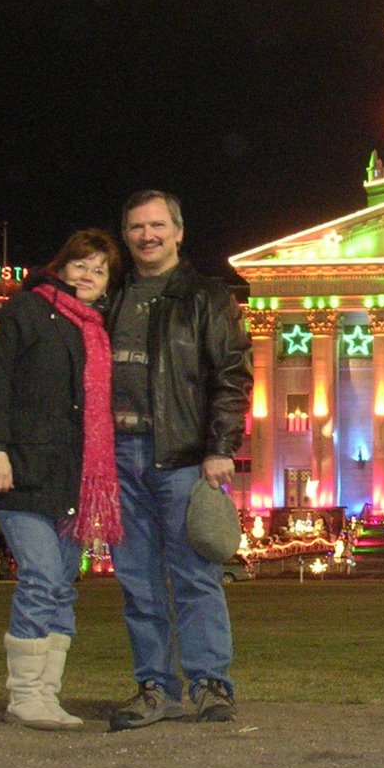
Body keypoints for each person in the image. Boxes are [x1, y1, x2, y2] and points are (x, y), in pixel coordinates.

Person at [105, 189, 252, 730]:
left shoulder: (206, 297)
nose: (148, 235)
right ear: (126, 236)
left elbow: (231, 376)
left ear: (179, 231)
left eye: (158, 225)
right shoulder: (111, 297)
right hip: (120, 455)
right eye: (138, 227)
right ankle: (154, 687)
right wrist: (1, 331)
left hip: (185, 455)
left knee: (195, 576)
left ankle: (210, 683)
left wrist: (220, 448)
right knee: (137, 580)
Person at [0, 228, 124, 731]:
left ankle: (46, 693)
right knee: (41, 577)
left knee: (61, 587)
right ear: (61, 268)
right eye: (81, 264)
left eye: (99, 270)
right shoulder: (26, 312)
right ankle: (23, 695)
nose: (89, 275)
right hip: (23, 471)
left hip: (72, 479)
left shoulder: (96, 331)